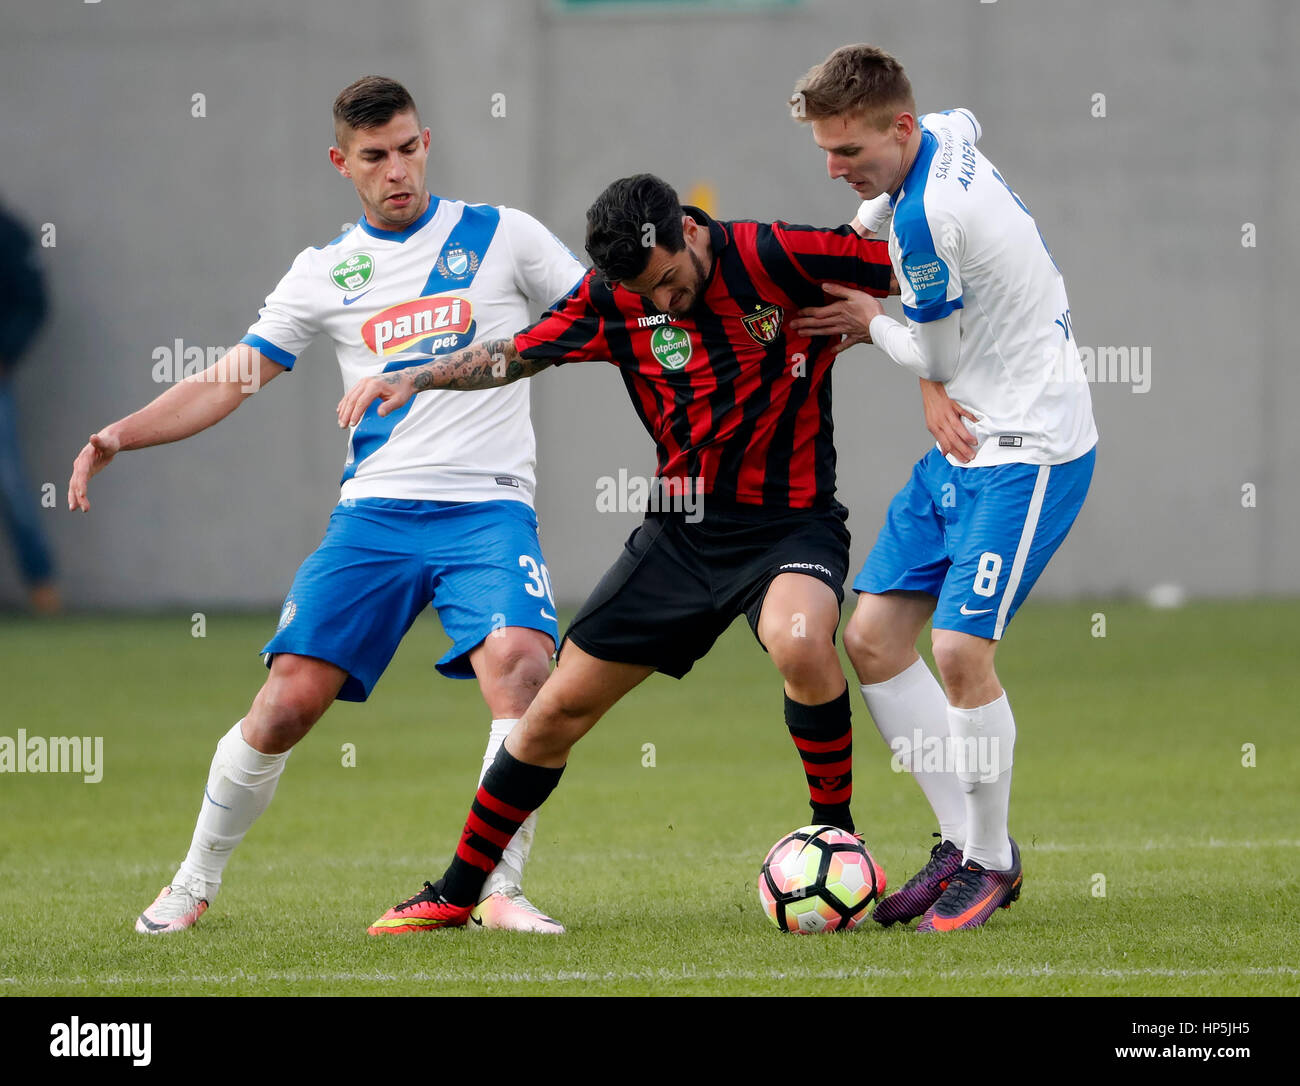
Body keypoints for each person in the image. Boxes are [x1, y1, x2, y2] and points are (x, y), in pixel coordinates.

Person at [67, 76, 585, 935]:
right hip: (375, 517)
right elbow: (233, 377)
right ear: (342, 163)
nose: (397, 171)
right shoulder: (323, 271)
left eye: (409, 149)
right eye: (375, 157)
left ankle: (496, 887)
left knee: (524, 671)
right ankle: (193, 882)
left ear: (429, 144)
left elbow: (595, 315)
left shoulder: (504, 236)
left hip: (488, 511)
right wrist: (124, 433)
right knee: (285, 703)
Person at [336, 172, 900, 934]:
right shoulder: (613, 299)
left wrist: (882, 324)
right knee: (554, 710)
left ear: (691, 233)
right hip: (678, 537)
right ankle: (456, 889)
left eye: (669, 279)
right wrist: (419, 375)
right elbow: (518, 353)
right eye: (647, 291)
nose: (662, 301)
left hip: (790, 526)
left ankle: (836, 835)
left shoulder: (777, 253)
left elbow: (920, 270)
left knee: (800, 642)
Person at [787, 44, 1098, 932]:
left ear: (900, 127)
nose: (838, 170)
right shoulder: (944, 135)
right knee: (875, 637)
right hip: (968, 438)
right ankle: (961, 841)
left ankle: (993, 865)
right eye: (827, 153)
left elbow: (938, 355)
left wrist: (869, 320)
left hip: (1028, 446)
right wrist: (883, 216)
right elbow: (965, 125)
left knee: (962, 654)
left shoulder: (929, 219)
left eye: (852, 153)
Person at [0, 200, 59, 614]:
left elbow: (33, 300)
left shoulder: (7, 231)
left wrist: (5, 353)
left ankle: (43, 590)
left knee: (11, 486)